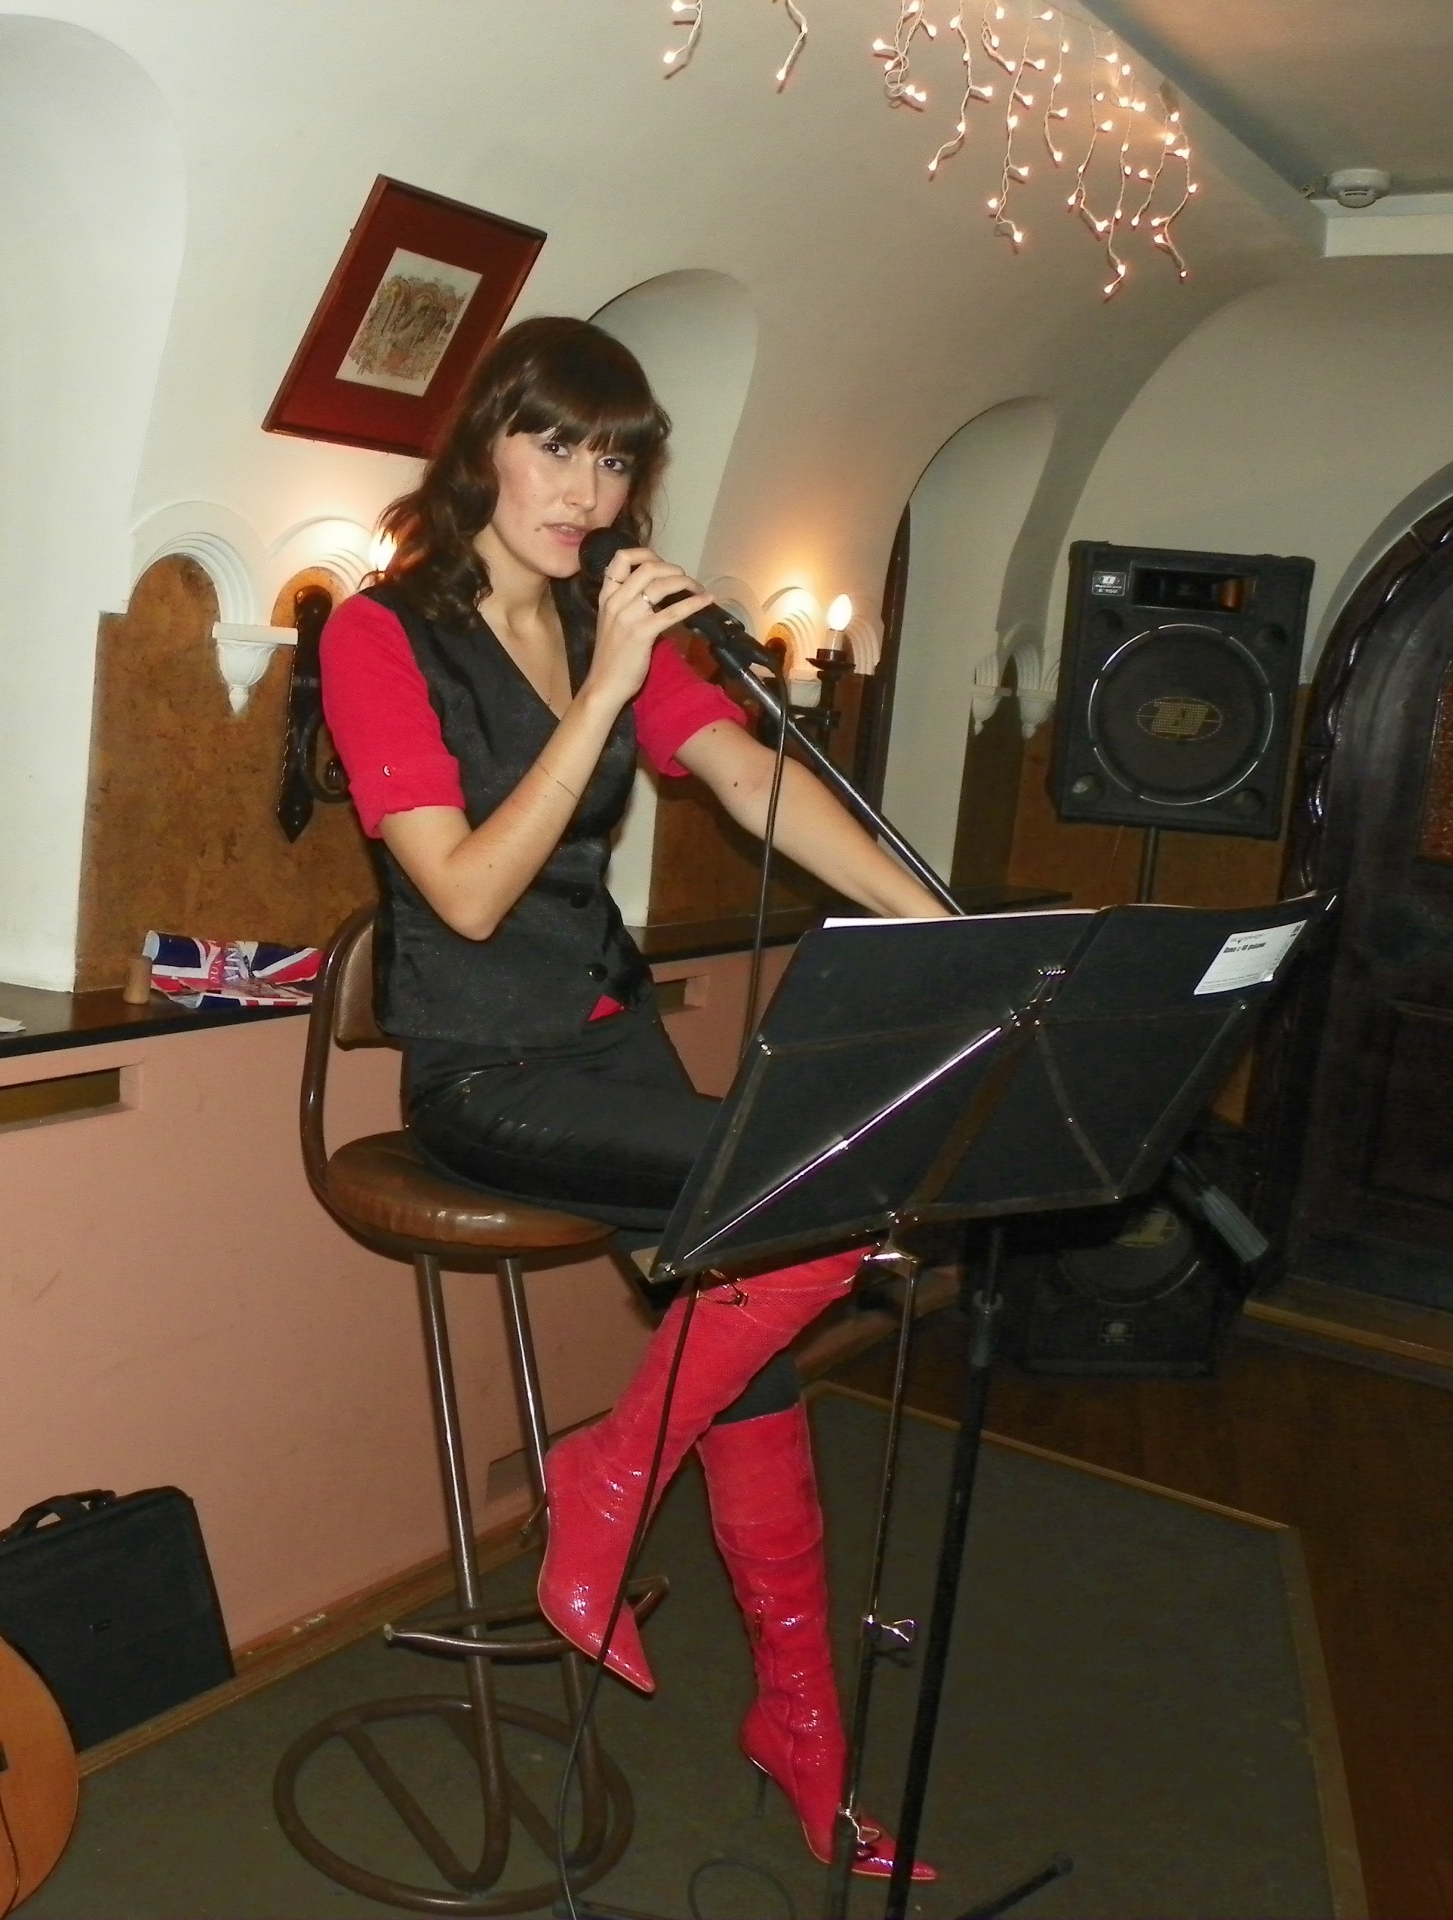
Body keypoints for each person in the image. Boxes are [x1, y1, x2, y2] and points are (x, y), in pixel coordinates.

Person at [319, 316, 952, 1877]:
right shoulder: (380, 637)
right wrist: (601, 690)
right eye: (554, 446)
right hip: (484, 1072)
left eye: (613, 461)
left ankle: (801, 1730)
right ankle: (604, 1480)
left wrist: (940, 923)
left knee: (759, 1370)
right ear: (483, 444)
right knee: (819, 1190)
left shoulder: (614, 622)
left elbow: (745, 775)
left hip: (611, 1045)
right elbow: (466, 893)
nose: (586, 491)